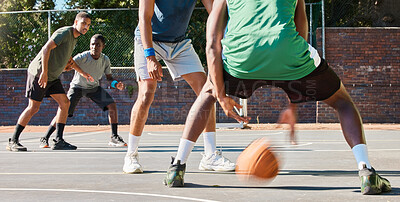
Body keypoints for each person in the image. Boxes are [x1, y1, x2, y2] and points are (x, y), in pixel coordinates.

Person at [163, 0, 391, 195]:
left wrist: (220, 95)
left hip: (242, 56)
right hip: (288, 51)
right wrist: (294, 99)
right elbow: (302, 31)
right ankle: (366, 171)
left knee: (206, 94)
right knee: (342, 101)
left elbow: (212, 42)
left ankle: (177, 167)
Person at [123, 0, 235, 174]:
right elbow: (144, 18)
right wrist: (150, 57)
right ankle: (131, 155)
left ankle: (210, 156)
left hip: (179, 44)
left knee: (208, 91)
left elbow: (216, 11)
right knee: (146, 93)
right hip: (149, 41)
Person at [6, 12, 92, 151]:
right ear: (76, 22)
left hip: (52, 77)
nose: (85, 27)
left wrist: (84, 73)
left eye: (88, 25)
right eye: (83, 23)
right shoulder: (64, 32)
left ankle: (58, 140)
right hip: (39, 73)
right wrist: (44, 73)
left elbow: (68, 59)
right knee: (33, 107)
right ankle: (13, 140)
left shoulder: (74, 38)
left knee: (65, 103)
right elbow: (46, 48)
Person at [39, 34, 127, 148]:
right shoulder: (82, 57)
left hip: (93, 88)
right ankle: (45, 137)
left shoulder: (105, 60)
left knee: (112, 105)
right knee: (64, 111)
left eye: (98, 45)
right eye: (92, 44)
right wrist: (63, 67)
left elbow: (109, 78)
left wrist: (116, 84)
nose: (94, 47)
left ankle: (114, 137)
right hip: (77, 87)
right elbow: (68, 64)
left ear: (103, 47)